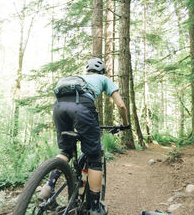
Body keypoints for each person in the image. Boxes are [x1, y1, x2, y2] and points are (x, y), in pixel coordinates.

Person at [40, 58, 130, 215]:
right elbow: (121, 105)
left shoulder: (78, 79)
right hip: (82, 108)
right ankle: (95, 208)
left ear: (87, 70)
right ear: (102, 71)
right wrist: (125, 124)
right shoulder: (103, 78)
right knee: (95, 158)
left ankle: (48, 187)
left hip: (59, 107)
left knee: (66, 151)